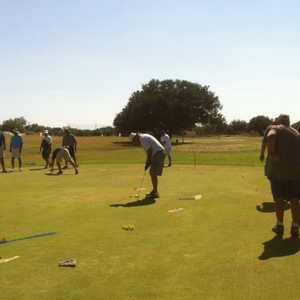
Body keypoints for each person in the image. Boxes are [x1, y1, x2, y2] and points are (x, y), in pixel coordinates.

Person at [262, 114, 300, 237]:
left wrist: (272, 153)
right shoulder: (296, 132)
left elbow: (270, 136)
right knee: (295, 200)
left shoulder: (275, 128)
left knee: (279, 200)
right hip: (295, 173)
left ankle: (280, 225)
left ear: (279, 120)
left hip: (278, 173)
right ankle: (295, 226)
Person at [130, 132, 165, 198]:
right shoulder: (144, 137)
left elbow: (150, 152)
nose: (135, 142)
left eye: (134, 140)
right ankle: (154, 191)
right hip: (158, 152)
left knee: (152, 173)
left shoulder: (143, 139)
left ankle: (155, 192)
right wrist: (148, 163)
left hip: (158, 153)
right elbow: (150, 152)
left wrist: (147, 163)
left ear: (136, 137)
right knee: (152, 173)